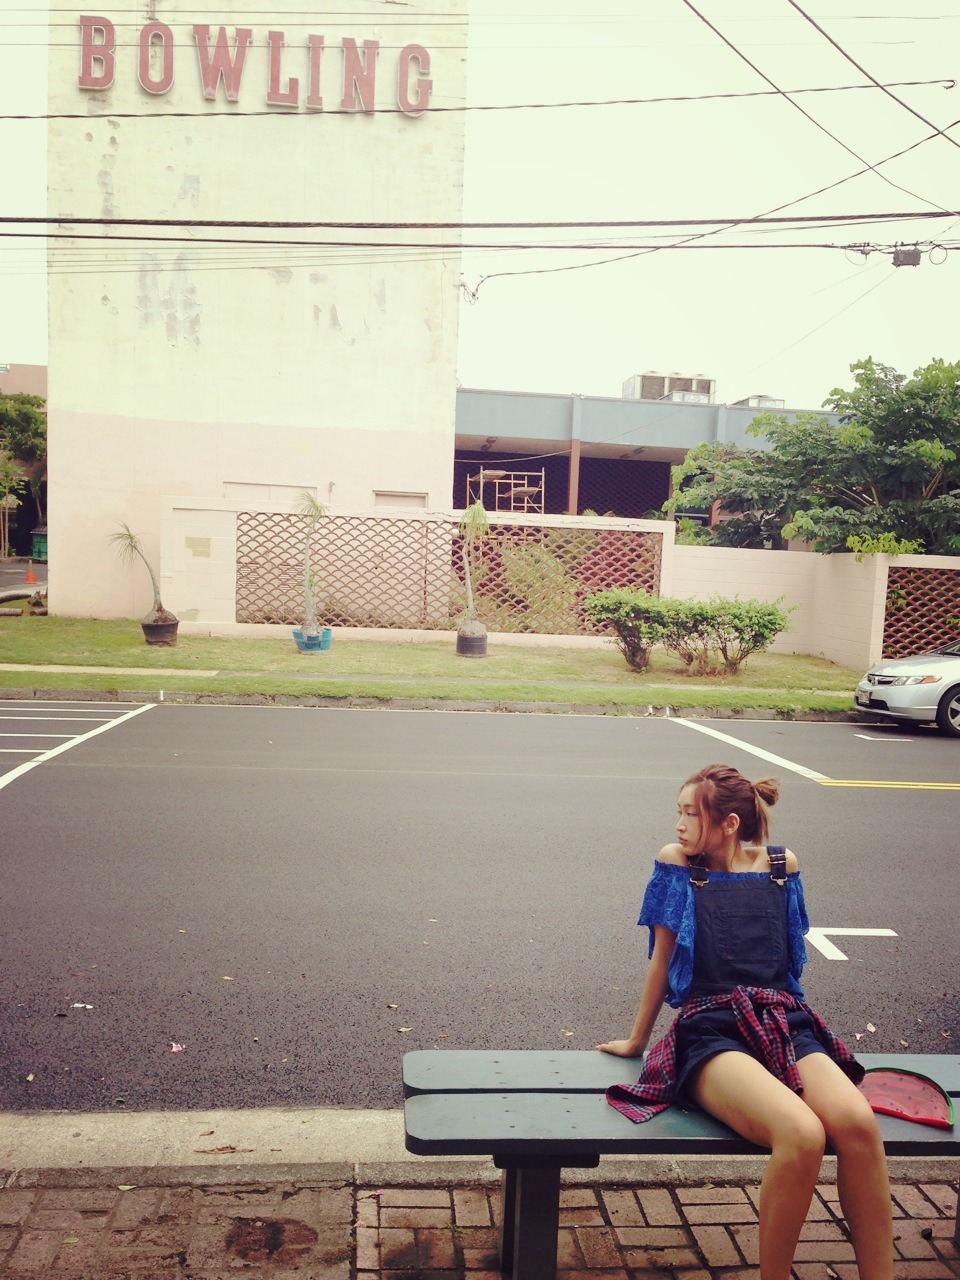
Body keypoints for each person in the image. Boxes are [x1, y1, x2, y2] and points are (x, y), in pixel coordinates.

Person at [598, 763, 893, 1280]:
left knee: (858, 1124)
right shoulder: (677, 865)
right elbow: (662, 960)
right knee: (802, 1132)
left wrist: (783, 1024)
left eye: (692, 814)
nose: (679, 825)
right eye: (678, 812)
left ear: (729, 823)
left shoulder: (782, 866)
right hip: (711, 1031)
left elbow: (789, 962)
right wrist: (636, 1040)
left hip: (780, 1021)